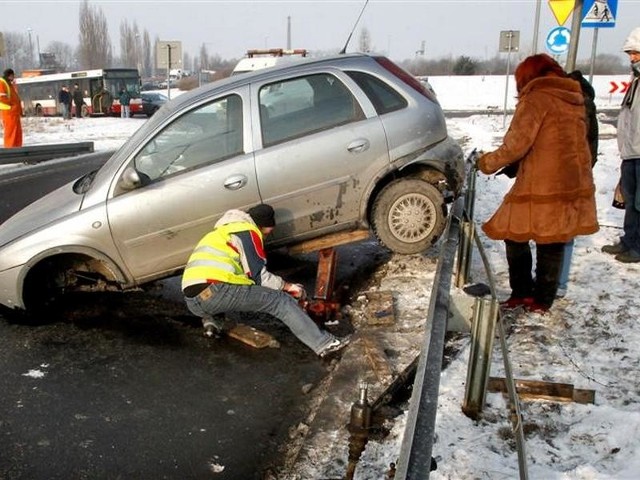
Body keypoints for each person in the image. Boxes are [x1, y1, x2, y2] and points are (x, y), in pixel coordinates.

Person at [477, 54, 598, 313]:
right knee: (552, 241)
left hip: (541, 182)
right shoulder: (574, 98)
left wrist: (486, 163)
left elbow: (516, 144)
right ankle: (543, 298)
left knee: (513, 234)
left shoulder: (537, 98)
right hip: (571, 180)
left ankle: (523, 292)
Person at [181, 204, 350, 358]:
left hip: (194, 302)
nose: (266, 237)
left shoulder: (220, 233)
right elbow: (258, 277)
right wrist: (288, 287)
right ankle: (326, 345)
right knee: (279, 301)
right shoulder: (247, 232)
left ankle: (212, 323)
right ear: (262, 226)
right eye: (267, 233)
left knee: (231, 289)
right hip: (216, 292)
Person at [557, 69, 599, 297]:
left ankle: (555, 281)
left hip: (566, 176)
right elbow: (592, 146)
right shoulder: (587, 105)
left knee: (558, 232)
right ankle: (559, 282)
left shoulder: (575, 109)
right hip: (578, 176)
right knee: (565, 231)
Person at [602, 27, 640, 263]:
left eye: (636, 53)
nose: (632, 58)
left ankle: (638, 246)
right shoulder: (635, 80)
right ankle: (629, 240)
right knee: (630, 199)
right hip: (631, 151)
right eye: (630, 54)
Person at [0, 68, 23, 148]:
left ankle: (17, 148)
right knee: (11, 132)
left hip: (13, 112)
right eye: (13, 75)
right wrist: (13, 105)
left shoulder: (9, 83)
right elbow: (2, 98)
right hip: (9, 112)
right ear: (10, 75)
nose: (14, 77)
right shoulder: (2, 83)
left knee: (17, 132)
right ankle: (10, 150)